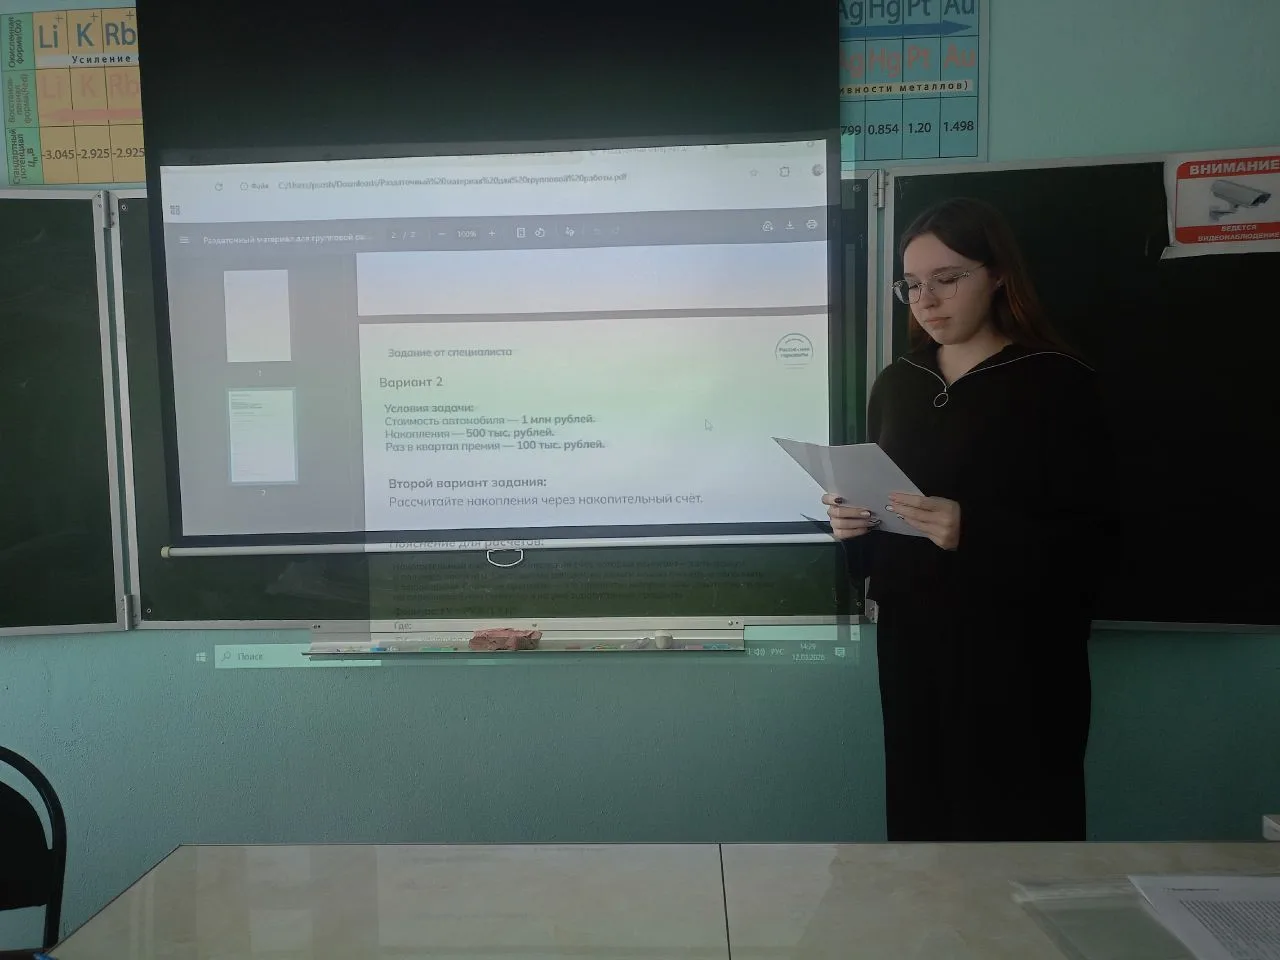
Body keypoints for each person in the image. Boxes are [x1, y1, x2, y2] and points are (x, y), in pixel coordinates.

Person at [825, 197, 1113, 842]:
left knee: (1019, 833)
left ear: (998, 274)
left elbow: (1094, 542)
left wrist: (972, 530)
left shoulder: (1058, 383)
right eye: (911, 284)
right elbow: (886, 523)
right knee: (922, 823)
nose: (925, 300)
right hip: (913, 643)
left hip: (1021, 654)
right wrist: (855, 528)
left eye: (947, 278)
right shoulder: (898, 383)